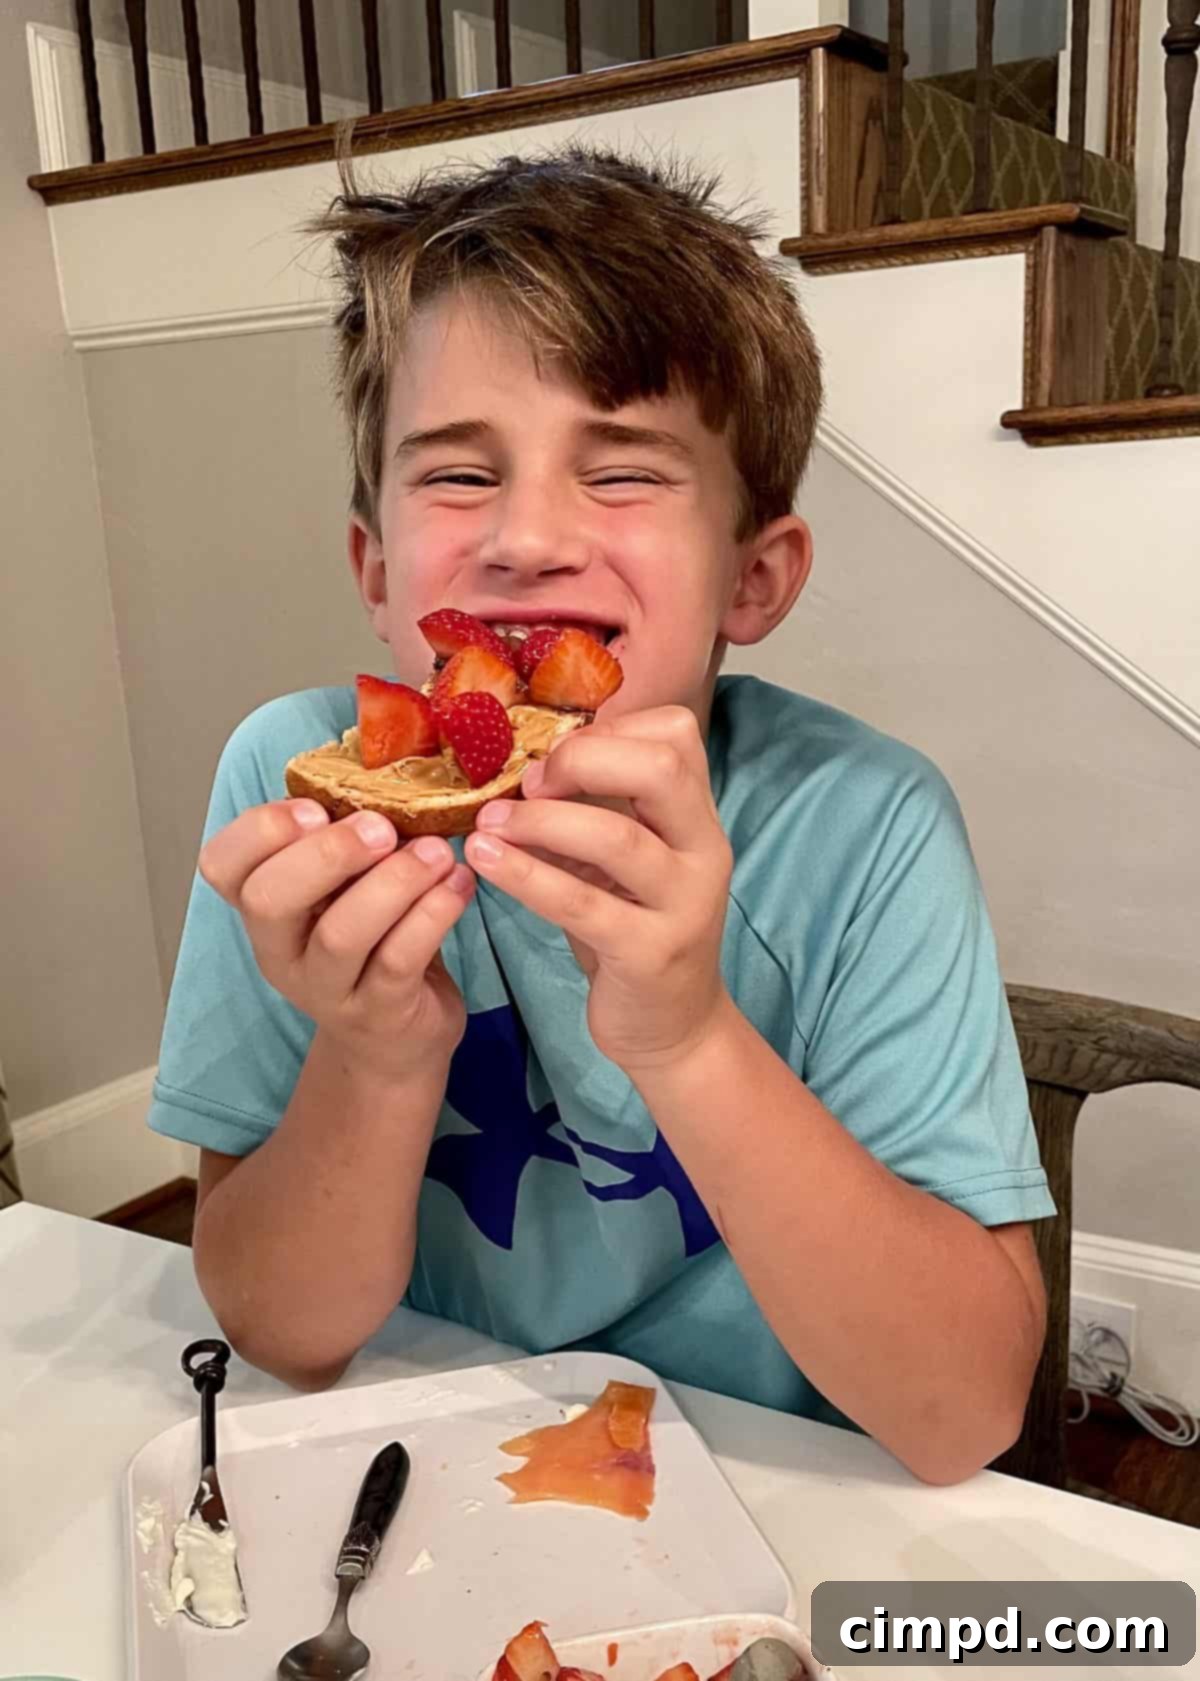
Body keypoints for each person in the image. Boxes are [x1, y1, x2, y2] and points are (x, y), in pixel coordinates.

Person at [149, 146, 1054, 1485]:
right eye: (459, 473)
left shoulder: (864, 827)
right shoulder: (293, 790)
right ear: (376, 569)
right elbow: (283, 1332)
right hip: (412, 1465)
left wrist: (684, 1032)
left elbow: (961, 1411)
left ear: (754, 576)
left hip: (771, 1480)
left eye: (621, 471)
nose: (525, 535)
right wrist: (378, 1050)